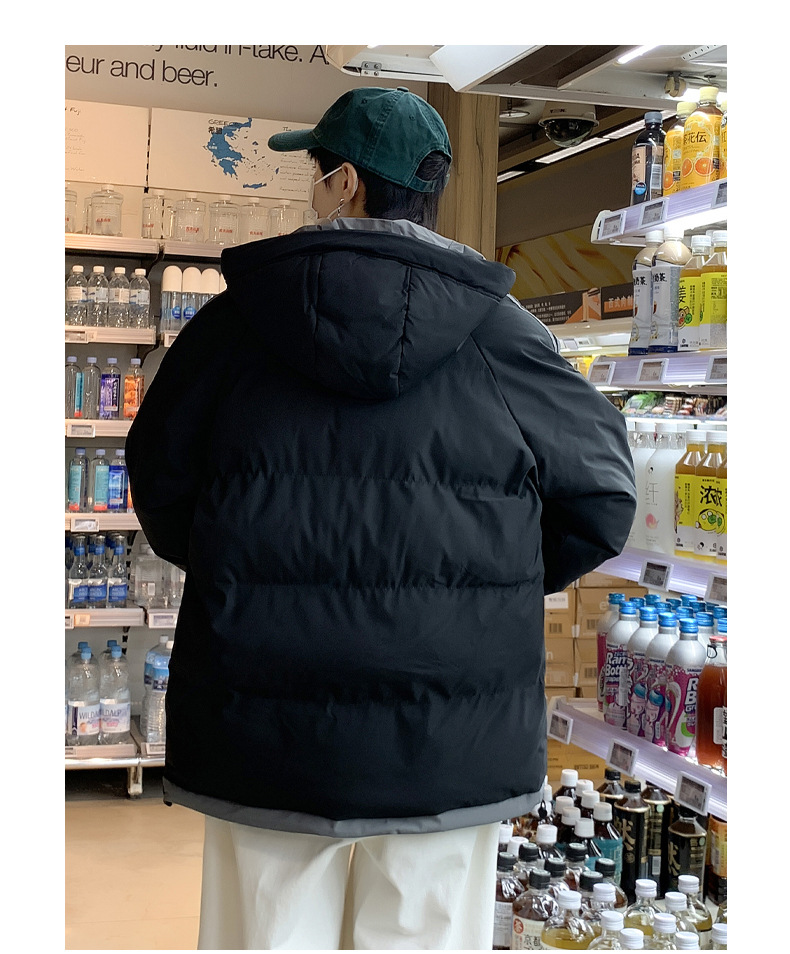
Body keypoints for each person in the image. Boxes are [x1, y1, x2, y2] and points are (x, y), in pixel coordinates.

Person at [126, 86, 636, 950]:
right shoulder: (504, 335)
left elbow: (162, 485)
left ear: (347, 182)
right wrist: (485, 582)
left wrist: (241, 566)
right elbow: (603, 495)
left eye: (316, 169)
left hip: (265, 725)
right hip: (450, 737)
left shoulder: (230, 327)